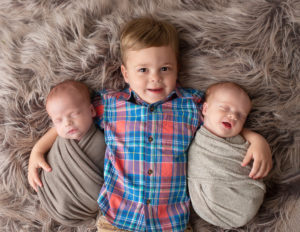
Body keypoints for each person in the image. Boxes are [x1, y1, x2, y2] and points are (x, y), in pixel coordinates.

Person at [28, 17, 272, 232]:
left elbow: (223, 122)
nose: (155, 77)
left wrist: (255, 138)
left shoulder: (191, 105)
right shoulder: (111, 105)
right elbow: (72, 120)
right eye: (143, 69)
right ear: (125, 74)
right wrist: (38, 150)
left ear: (177, 69)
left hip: (171, 222)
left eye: (165, 68)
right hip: (117, 219)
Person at [188, 82, 267, 229]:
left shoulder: (243, 141)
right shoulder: (190, 127)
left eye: (240, 115)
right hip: (206, 203)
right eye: (224, 108)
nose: (232, 116)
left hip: (245, 196)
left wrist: (257, 140)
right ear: (205, 109)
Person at [36, 80, 106, 226]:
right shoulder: (60, 140)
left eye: (73, 114)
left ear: (91, 111)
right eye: (58, 120)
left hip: (82, 206)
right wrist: (36, 152)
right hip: (47, 193)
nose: (67, 123)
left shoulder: (105, 140)